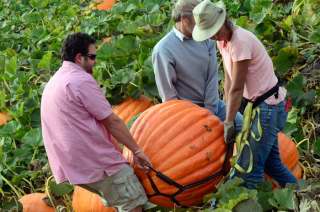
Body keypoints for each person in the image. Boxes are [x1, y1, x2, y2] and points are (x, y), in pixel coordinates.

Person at [40, 32, 152, 212]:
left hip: (73, 167)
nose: (95, 62)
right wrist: (136, 150)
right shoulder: (79, 80)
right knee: (133, 203)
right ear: (79, 57)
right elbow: (112, 121)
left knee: (120, 202)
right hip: (97, 163)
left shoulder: (54, 83)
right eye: (92, 57)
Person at [192, 0, 297, 188]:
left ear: (224, 21)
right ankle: (303, 192)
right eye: (210, 34)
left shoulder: (240, 41)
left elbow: (238, 88)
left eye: (215, 31)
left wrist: (230, 121)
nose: (214, 36)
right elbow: (229, 81)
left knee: (250, 170)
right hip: (257, 106)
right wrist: (226, 113)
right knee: (272, 165)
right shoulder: (223, 42)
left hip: (268, 107)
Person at [152, 0, 242, 133]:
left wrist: (209, 113)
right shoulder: (163, 50)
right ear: (184, 19)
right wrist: (194, 121)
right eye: (197, 22)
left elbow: (212, 76)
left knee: (243, 127)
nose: (203, 27)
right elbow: (169, 97)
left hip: (212, 105)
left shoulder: (206, 37)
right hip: (185, 115)